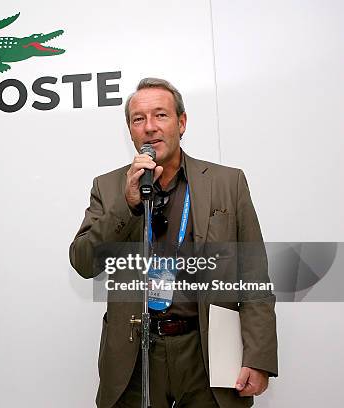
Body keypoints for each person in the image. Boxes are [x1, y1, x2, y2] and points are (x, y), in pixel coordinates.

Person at [69, 78, 277, 407]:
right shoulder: (109, 187)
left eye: (161, 115)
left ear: (181, 122)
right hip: (135, 355)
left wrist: (258, 356)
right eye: (139, 119)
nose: (149, 127)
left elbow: (253, 276)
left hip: (206, 350)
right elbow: (83, 263)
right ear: (131, 130)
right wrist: (128, 204)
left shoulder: (228, 182)